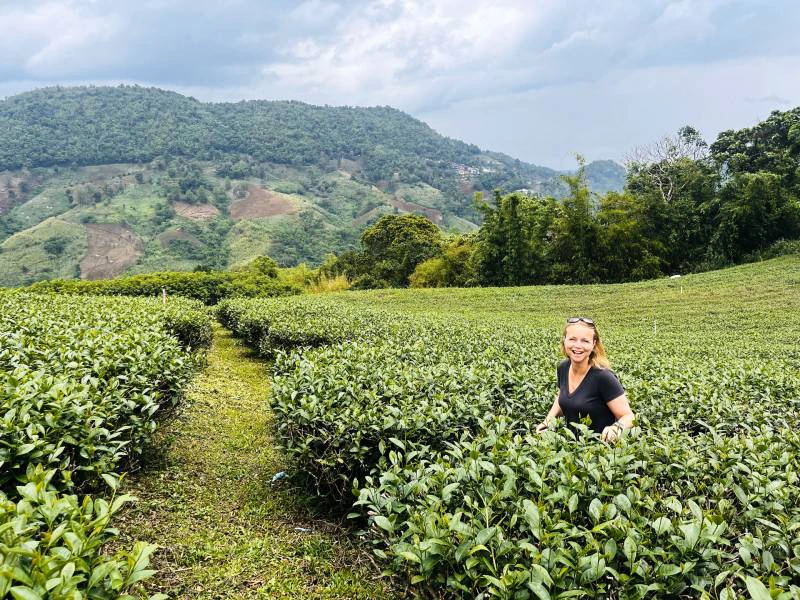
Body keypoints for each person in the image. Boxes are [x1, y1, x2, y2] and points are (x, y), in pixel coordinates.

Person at [536, 317, 634, 442]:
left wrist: (616, 428)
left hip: (599, 451)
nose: (578, 346)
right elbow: (561, 396)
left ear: (593, 344)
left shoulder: (603, 377)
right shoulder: (563, 367)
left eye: (585, 341)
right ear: (564, 341)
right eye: (572, 339)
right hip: (570, 446)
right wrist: (547, 421)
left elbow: (629, 416)